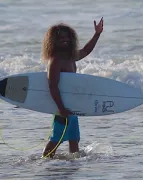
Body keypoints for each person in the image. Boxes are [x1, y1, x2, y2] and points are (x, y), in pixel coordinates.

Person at [41, 17, 104, 158]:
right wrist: (61, 108)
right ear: (53, 41)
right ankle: (44, 163)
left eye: (67, 37)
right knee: (55, 139)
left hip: (71, 107)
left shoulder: (69, 57)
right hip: (61, 108)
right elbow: (52, 86)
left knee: (74, 140)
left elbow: (86, 50)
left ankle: (72, 167)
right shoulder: (56, 60)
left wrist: (97, 34)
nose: (65, 40)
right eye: (61, 37)